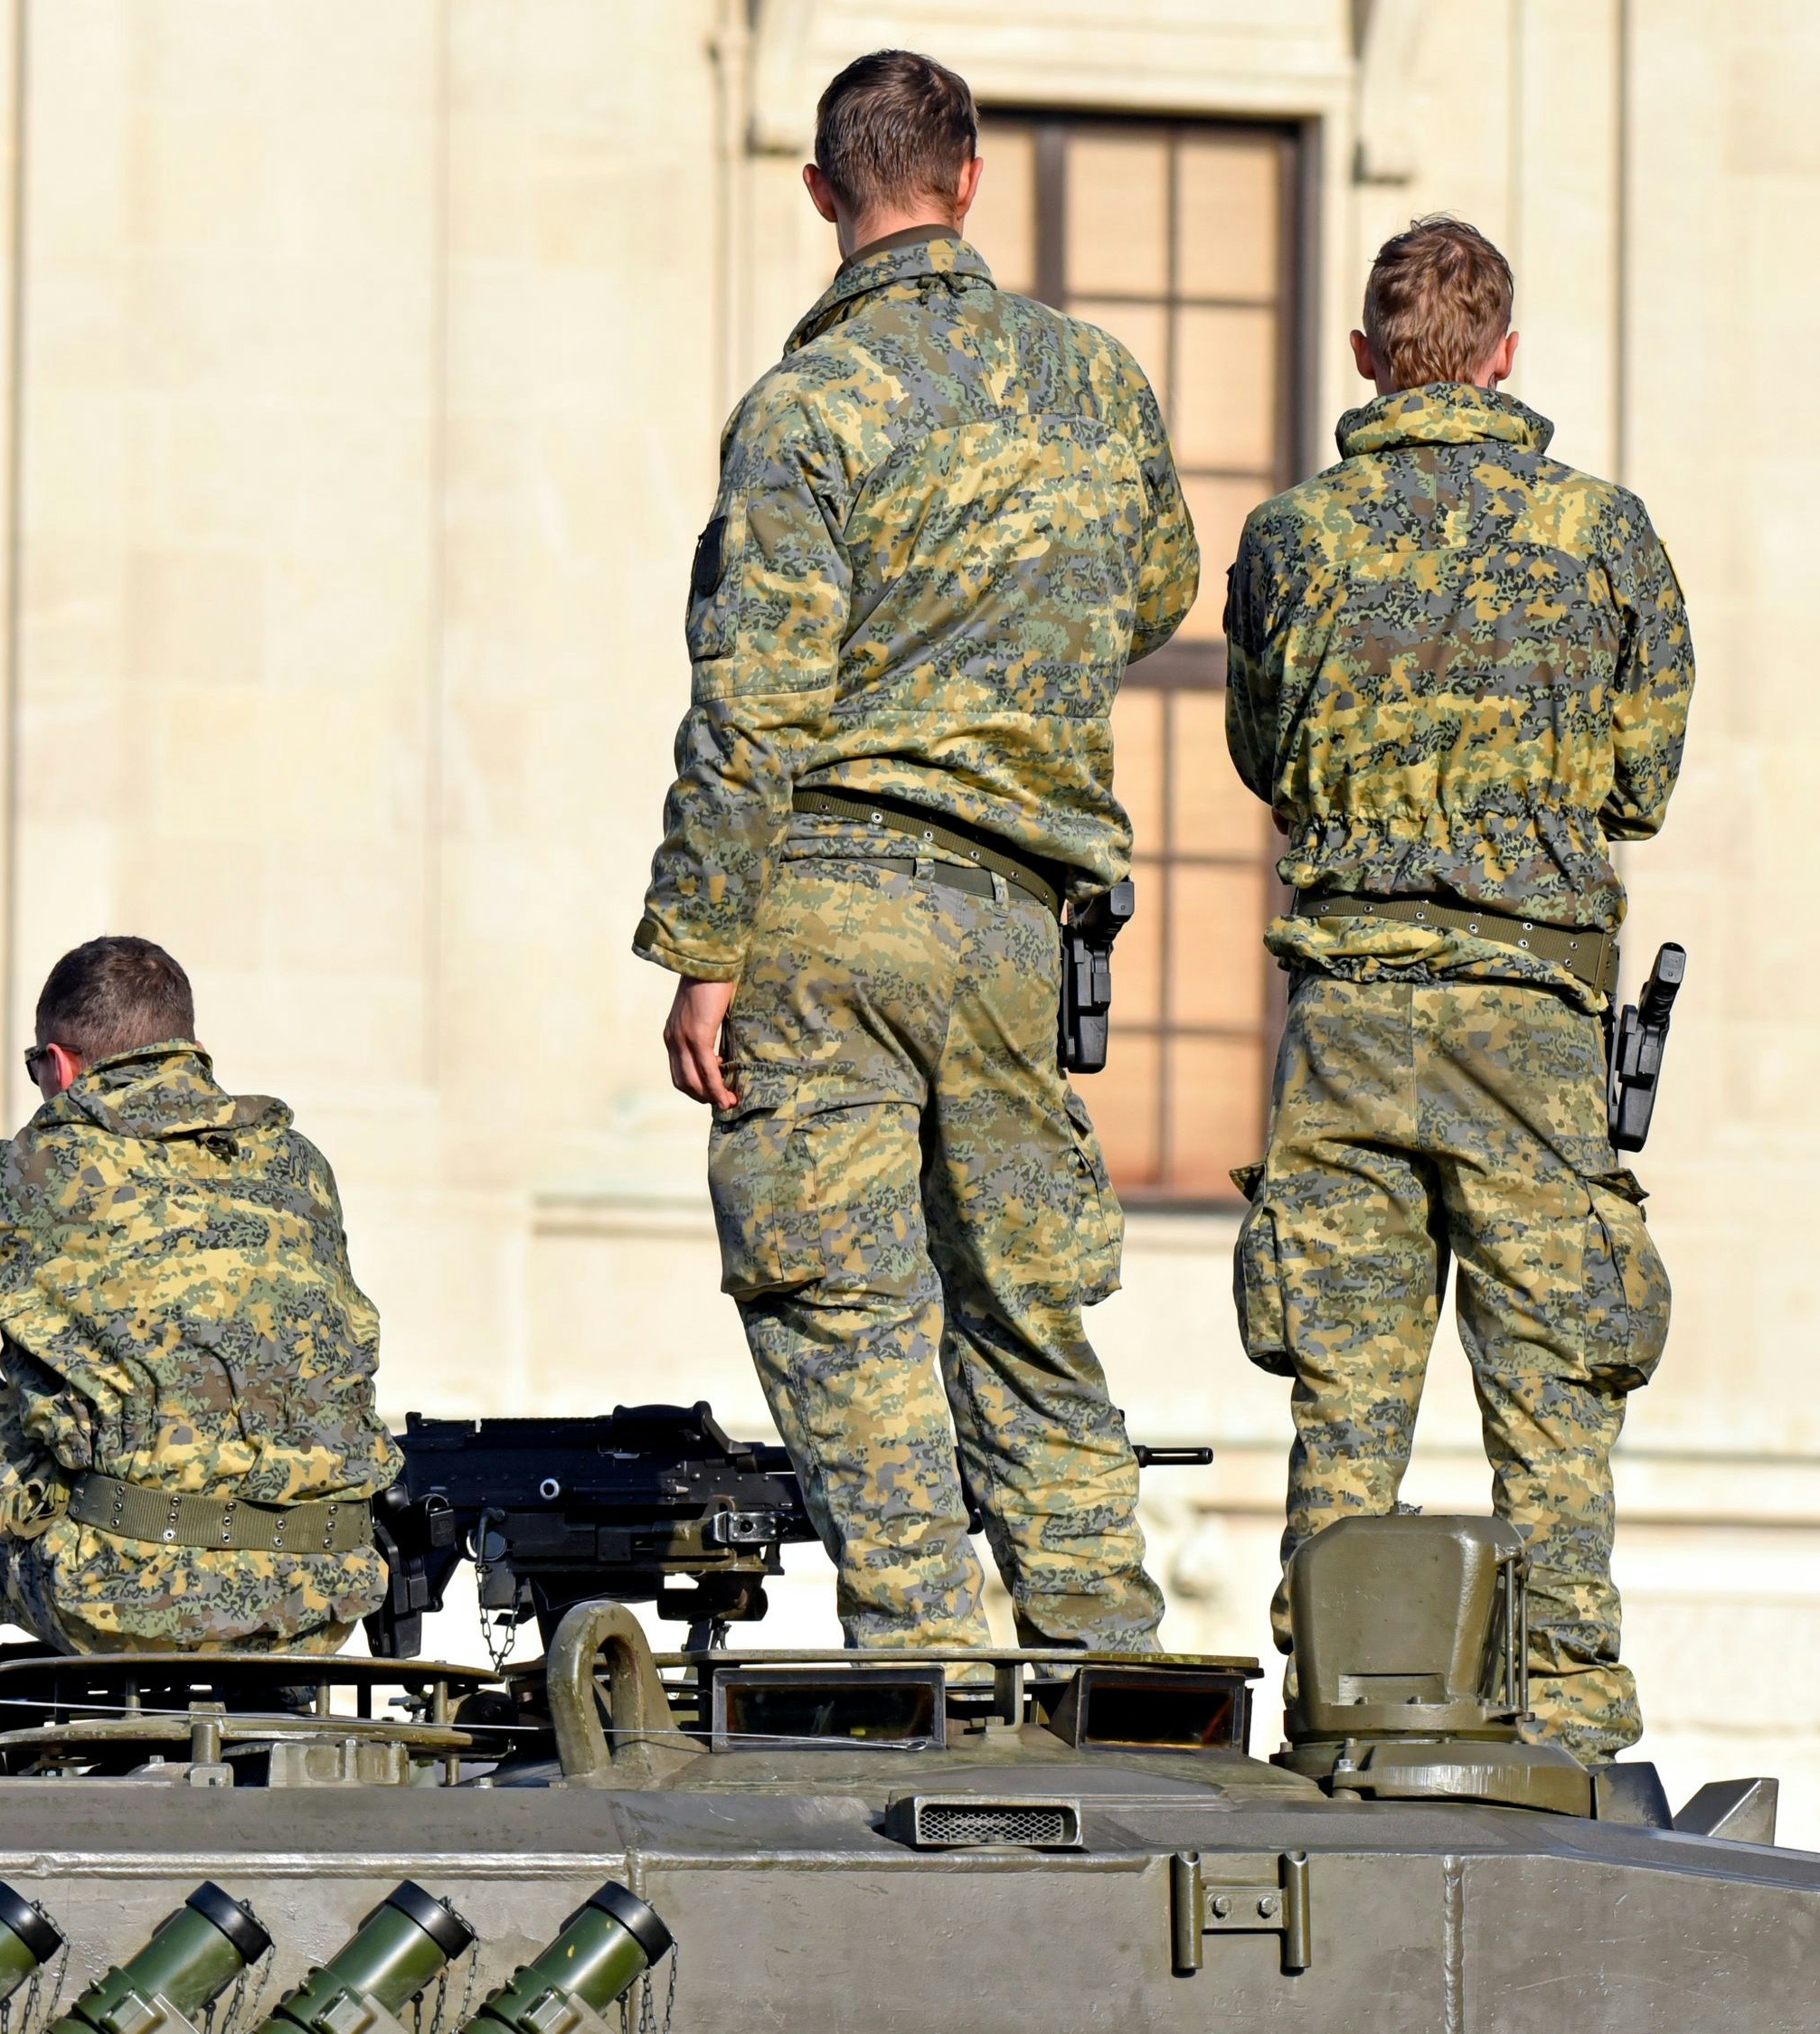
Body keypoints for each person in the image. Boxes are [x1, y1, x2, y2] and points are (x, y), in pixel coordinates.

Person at [636, 50, 1193, 1653]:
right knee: (1025, 1291)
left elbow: (751, 699)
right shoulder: (1092, 384)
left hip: (826, 907)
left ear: (824, 193)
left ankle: (928, 1652)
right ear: (969, 179)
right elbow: (1152, 592)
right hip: (1018, 916)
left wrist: (703, 946)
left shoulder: (805, 410)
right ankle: (1102, 1638)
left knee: (849, 1302)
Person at [1221, 216, 1693, 1763]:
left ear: (1368, 357)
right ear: (1504, 357)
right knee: (1553, 1404)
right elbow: (1643, 781)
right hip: (1529, 1030)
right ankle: (1566, 1727)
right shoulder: (1601, 535)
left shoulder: (1293, 539)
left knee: (1341, 1406)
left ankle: (1338, 1713)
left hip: (1349, 1021)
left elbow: (1262, 758)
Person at [0, 936, 392, 1771]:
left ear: (59, 1064)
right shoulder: (299, 1165)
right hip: (324, 1594)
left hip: (123, 1589)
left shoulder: (41, 1168)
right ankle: (261, 1690)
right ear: (195, 1054)